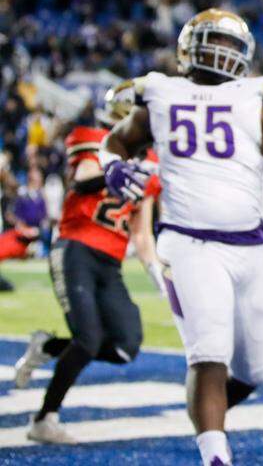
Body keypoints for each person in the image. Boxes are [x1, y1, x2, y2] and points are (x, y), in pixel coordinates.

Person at [100, 9, 263, 466]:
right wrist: (112, 164)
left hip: (250, 249)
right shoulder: (159, 92)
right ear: (187, 48)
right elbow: (116, 141)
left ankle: (205, 416)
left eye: (231, 46)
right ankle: (215, 452)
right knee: (208, 353)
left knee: (255, 368)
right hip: (189, 243)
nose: (221, 53)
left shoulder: (256, 98)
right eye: (215, 41)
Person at [14, 81, 164, 444]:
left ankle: (47, 348)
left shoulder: (153, 164)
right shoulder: (91, 137)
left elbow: (141, 231)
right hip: (76, 249)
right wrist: (114, 172)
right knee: (88, 338)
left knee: (126, 344)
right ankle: (44, 419)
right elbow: (81, 184)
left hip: (110, 262)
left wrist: (157, 270)